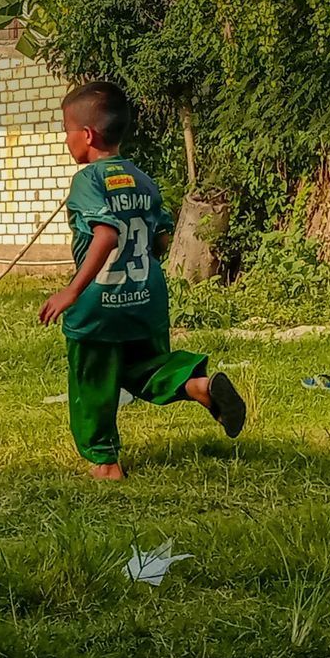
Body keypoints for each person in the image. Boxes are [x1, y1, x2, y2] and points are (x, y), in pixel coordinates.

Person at [38, 81, 245, 479]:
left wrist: (72, 290)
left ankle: (105, 462)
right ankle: (198, 386)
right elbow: (162, 238)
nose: (66, 140)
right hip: (145, 300)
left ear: (86, 135)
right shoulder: (143, 180)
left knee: (94, 383)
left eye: (66, 131)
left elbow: (107, 234)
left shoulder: (88, 181)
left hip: (98, 307)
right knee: (142, 368)